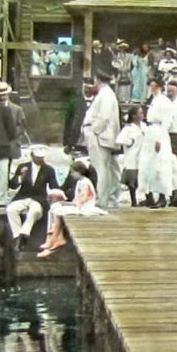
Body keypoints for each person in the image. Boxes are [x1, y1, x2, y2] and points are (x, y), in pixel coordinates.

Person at [38, 161, 106, 257]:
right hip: (79, 206)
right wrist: (64, 202)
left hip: (85, 208)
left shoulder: (85, 183)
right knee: (54, 208)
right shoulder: (80, 182)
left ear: (79, 172)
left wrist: (68, 204)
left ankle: (54, 238)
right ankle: (54, 237)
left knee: (58, 211)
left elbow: (82, 199)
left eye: (73, 172)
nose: (72, 174)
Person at [80, 71, 121, 209]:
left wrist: (95, 131)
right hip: (100, 135)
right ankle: (102, 198)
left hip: (100, 136)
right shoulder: (105, 94)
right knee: (102, 168)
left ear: (99, 80)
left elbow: (104, 117)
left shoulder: (106, 95)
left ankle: (101, 199)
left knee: (100, 169)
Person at [6, 145, 59, 252]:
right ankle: (17, 235)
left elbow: (54, 186)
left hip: (38, 198)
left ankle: (24, 234)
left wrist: (54, 196)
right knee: (11, 209)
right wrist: (21, 177)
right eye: (37, 157)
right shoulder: (23, 167)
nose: (40, 160)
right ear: (32, 156)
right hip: (23, 195)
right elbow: (13, 185)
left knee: (35, 212)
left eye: (41, 158)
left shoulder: (49, 170)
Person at [139, 80, 176, 208]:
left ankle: (162, 196)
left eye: (154, 86)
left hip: (159, 132)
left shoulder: (164, 101)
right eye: (150, 85)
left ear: (160, 87)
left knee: (161, 166)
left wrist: (159, 140)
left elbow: (167, 122)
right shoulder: (152, 100)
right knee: (147, 166)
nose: (152, 88)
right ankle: (148, 195)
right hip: (150, 132)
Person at [114, 106, 146, 207]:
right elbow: (118, 140)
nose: (142, 115)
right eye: (140, 113)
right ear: (134, 115)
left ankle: (146, 197)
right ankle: (133, 200)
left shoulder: (144, 126)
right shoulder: (128, 128)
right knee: (132, 178)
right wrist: (129, 142)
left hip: (143, 154)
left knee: (142, 176)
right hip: (132, 155)